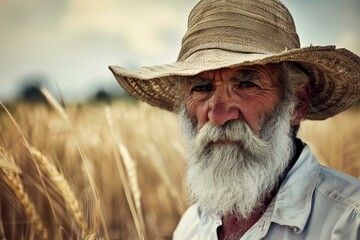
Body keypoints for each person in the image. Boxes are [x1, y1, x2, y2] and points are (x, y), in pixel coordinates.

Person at [109, 0, 360, 239]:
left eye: (247, 83)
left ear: (297, 104)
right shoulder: (191, 227)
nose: (217, 116)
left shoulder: (349, 222)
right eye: (201, 87)